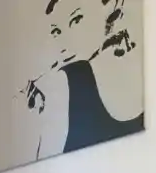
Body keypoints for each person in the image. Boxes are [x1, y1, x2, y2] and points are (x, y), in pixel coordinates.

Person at [21, 0, 144, 159]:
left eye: (76, 20)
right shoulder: (61, 84)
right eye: (57, 31)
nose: (65, 44)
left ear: (111, 6)